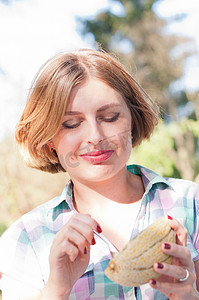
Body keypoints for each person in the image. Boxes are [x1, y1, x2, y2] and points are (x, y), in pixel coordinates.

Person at [0, 49, 199, 300]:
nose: (95, 137)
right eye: (71, 123)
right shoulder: (25, 238)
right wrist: (57, 290)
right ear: (49, 139)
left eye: (110, 117)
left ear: (132, 120)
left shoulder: (191, 203)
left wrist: (188, 296)